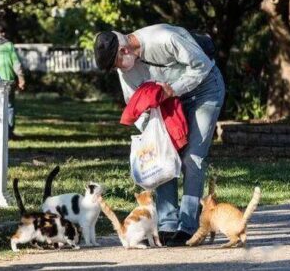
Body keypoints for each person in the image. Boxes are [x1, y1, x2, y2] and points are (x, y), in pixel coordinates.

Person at [93, 24, 225, 247]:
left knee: (192, 158)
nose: (119, 69)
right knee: (165, 155)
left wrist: (173, 89)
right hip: (166, 104)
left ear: (124, 51)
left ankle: (188, 227)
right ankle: (167, 225)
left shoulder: (164, 38)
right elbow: (133, 103)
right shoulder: (124, 70)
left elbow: (201, 66)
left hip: (204, 90)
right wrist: (153, 131)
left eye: (116, 63)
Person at [0, 25, 26, 139]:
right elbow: (16, 64)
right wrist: (21, 78)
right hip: (8, 80)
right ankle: (9, 132)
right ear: (3, 33)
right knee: (9, 106)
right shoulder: (9, 45)